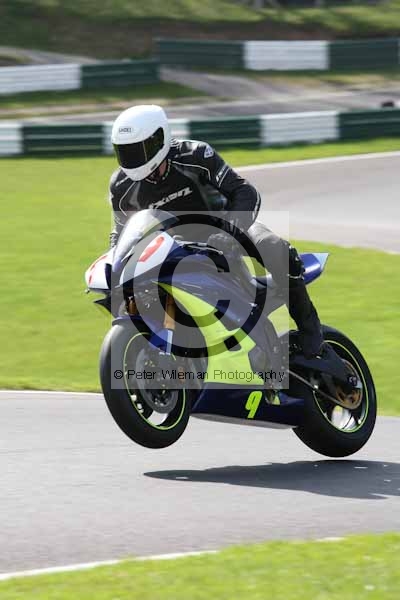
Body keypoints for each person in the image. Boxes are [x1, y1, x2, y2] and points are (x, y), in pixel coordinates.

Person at [107, 104, 323, 358]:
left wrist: (230, 232)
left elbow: (245, 192)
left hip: (227, 230)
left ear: (159, 139)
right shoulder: (121, 186)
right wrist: (113, 264)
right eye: (125, 152)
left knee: (273, 246)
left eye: (138, 150)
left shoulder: (195, 156)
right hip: (172, 247)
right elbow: (121, 233)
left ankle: (310, 329)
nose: (132, 158)